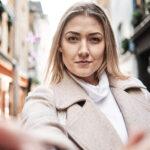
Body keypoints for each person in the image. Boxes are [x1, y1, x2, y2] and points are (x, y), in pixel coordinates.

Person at [20, 2, 150, 150]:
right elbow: (42, 138)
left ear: (106, 45)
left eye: (94, 39)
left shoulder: (136, 90)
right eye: (73, 39)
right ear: (59, 46)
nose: (83, 50)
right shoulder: (43, 101)